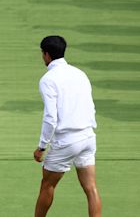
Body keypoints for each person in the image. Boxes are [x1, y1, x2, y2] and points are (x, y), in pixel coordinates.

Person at [33, 36, 102, 217]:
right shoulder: (80, 74)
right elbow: (91, 106)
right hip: (88, 137)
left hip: (67, 141)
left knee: (47, 185)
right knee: (90, 188)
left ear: (46, 55)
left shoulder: (48, 79)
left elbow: (50, 117)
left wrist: (42, 146)